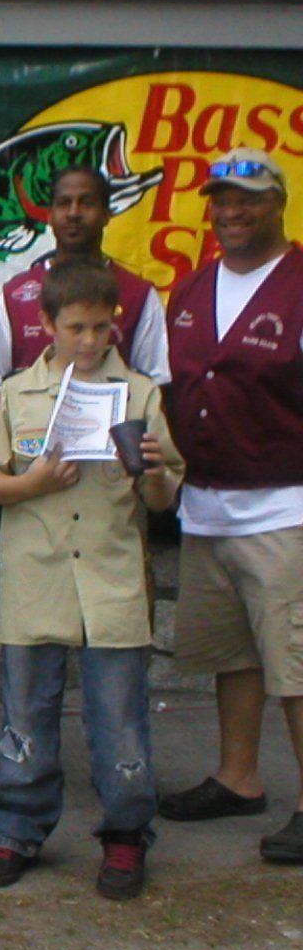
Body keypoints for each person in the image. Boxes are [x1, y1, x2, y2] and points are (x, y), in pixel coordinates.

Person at [0, 260, 183, 899]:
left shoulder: (139, 394)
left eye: (101, 327)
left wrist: (151, 473)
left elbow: (166, 498)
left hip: (111, 582)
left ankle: (124, 833)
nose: (90, 341)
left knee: (120, 720)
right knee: (26, 715)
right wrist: (29, 484)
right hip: (38, 580)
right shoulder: (18, 393)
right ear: (45, 326)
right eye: (76, 327)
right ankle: (17, 826)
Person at [161, 148, 303, 865]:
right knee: (235, 655)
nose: (233, 212)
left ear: (279, 202)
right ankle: (238, 777)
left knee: (298, 663)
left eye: (249, 198)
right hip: (207, 505)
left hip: (285, 505)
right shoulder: (190, 290)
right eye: (222, 200)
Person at [0, 166, 168, 387]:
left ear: (107, 214)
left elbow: (158, 383)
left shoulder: (139, 295)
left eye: (86, 203)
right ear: (50, 215)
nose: (73, 213)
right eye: (64, 203)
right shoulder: (15, 296)